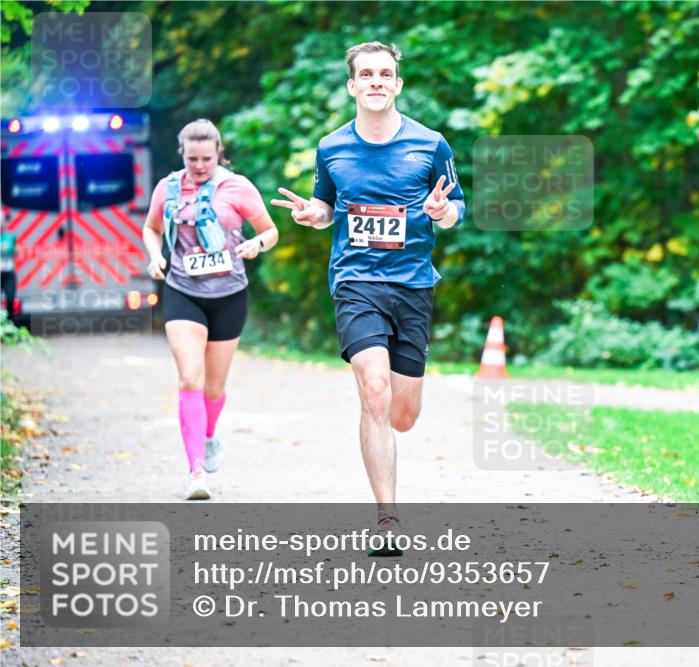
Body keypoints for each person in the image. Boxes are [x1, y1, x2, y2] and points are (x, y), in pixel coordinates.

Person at [272, 41, 464, 552]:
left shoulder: (431, 144)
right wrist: (316, 215)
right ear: (353, 85)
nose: (377, 81)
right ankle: (387, 519)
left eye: (385, 73)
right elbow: (326, 205)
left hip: (414, 285)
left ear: (397, 84)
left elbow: (455, 211)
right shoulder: (331, 147)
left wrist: (443, 212)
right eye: (367, 74)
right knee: (373, 391)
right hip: (356, 283)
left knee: (403, 414)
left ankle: (393, 458)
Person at [143, 119, 279, 500]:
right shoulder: (169, 188)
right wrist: (155, 257)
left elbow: (269, 229)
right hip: (183, 290)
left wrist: (258, 245)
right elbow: (151, 227)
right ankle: (196, 471)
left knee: (215, 387)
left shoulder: (237, 187)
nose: (199, 166)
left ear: (218, 153)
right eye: (191, 159)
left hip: (229, 293)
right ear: (182, 155)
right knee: (190, 378)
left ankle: (208, 433)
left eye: (206, 158)